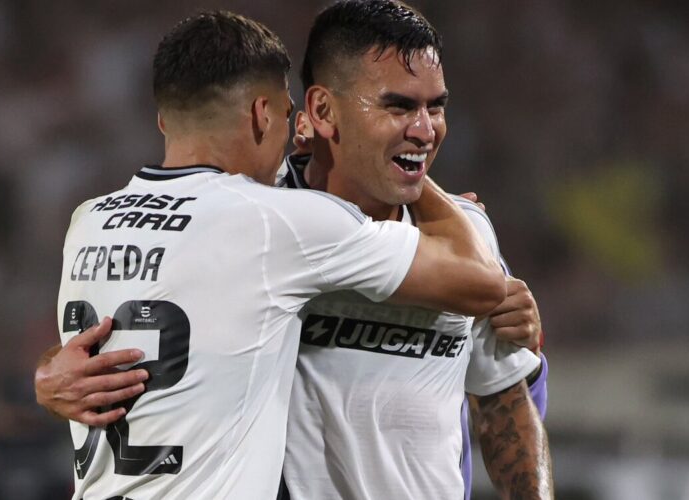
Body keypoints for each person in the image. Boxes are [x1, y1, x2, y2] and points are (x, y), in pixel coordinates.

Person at [46, 9, 505, 500]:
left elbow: (128, 334)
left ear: (164, 118)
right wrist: (419, 177)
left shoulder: (89, 219)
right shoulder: (278, 221)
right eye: (288, 114)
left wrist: (45, 374)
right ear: (262, 115)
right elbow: (481, 282)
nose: (294, 132)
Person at [275, 1, 552, 499]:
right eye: (398, 106)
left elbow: (504, 407)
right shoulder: (264, 221)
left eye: (436, 106)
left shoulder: (467, 240)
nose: (425, 130)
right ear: (321, 110)